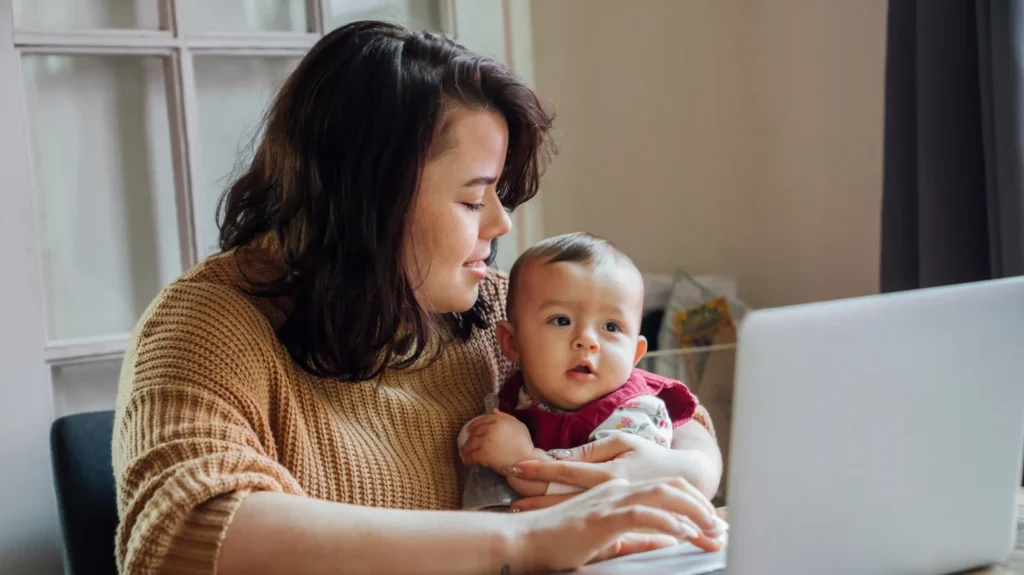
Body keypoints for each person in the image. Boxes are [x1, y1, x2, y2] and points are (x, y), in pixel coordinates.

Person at [111, 21, 725, 575]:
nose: (500, 225)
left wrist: (687, 468)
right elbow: (182, 529)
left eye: (499, 196)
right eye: (471, 199)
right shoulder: (209, 321)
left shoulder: (495, 309)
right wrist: (524, 539)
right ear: (371, 197)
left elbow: (672, 408)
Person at [458, 233, 715, 511]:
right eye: (562, 320)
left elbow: (599, 488)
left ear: (635, 355)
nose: (587, 340)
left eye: (612, 327)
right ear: (512, 342)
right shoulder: (516, 397)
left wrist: (523, 458)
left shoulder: (636, 414)